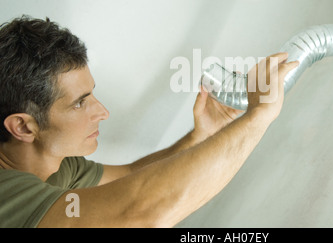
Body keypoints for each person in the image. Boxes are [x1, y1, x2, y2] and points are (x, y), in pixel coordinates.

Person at [0, 15, 299, 228]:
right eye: (80, 102)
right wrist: (260, 116)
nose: (102, 111)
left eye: (91, 95)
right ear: (24, 127)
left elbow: (130, 174)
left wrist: (201, 136)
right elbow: (142, 214)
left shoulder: (59, 164)